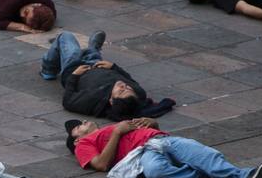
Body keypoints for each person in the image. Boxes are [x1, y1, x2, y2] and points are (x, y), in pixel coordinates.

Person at [65, 118, 262, 178]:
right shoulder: (83, 144)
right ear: (75, 140)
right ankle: (202, 171)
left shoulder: (111, 126)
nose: (81, 124)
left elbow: (148, 128)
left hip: (162, 139)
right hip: (144, 152)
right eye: (77, 127)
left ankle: (245, 177)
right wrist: (118, 132)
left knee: (204, 155)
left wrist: (152, 122)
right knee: (157, 174)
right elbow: (101, 164)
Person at [41, 30, 170, 121]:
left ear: (111, 100)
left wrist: (74, 76)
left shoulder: (93, 101)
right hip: (97, 65)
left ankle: (49, 68)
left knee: (66, 37)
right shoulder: (138, 93)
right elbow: (129, 79)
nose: (124, 86)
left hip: (74, 68)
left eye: (120, 91)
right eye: (128, 89)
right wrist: (114, 67)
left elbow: (68, 101)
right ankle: (93, 49)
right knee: (92, 56)